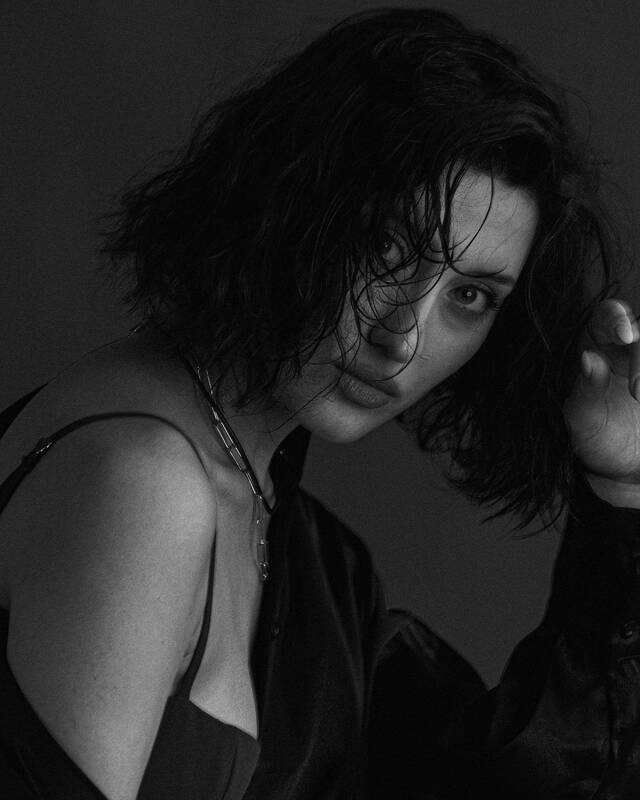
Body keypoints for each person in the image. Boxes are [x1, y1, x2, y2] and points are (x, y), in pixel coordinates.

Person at [1, 6, 640, 799]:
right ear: (289, 202)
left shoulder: (299, 544)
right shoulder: (142, 481)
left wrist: (623, 485)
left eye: (470, 295)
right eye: (386, 248)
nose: (404, 336)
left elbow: (507, 783)